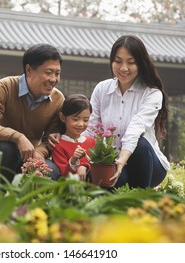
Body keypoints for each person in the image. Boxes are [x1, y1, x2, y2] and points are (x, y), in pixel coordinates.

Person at [50, 35, 169, 189]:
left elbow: (135, 129)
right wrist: (73, 144)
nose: (123, 68)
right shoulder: (102, 89)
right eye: (118, 61)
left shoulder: (152, 94)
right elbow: (91, 129)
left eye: (131, 62)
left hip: (148, 164)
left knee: (140, 144)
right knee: (107, 183)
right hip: (110, 163)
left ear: (141, 64)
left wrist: (121, 161)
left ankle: (141, 199)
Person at [0, 43, 65, 182]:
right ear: (29, 70)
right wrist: (18, 137)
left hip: (29, 158)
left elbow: (50, 140)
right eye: (48, 72)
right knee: (6, 149)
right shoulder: (6, 86)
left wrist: (39, 153)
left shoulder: (58, 99)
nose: (53, 79)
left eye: (57, 73)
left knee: (52, 172)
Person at [51, 94, 96, 181]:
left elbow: (98, 166)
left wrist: (84, 166)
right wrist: (73, 160)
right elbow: (63, 175)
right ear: (63, 117)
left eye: (86, 120)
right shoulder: (58, 145)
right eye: (75, 119)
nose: (81, 124)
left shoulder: (92, 142)